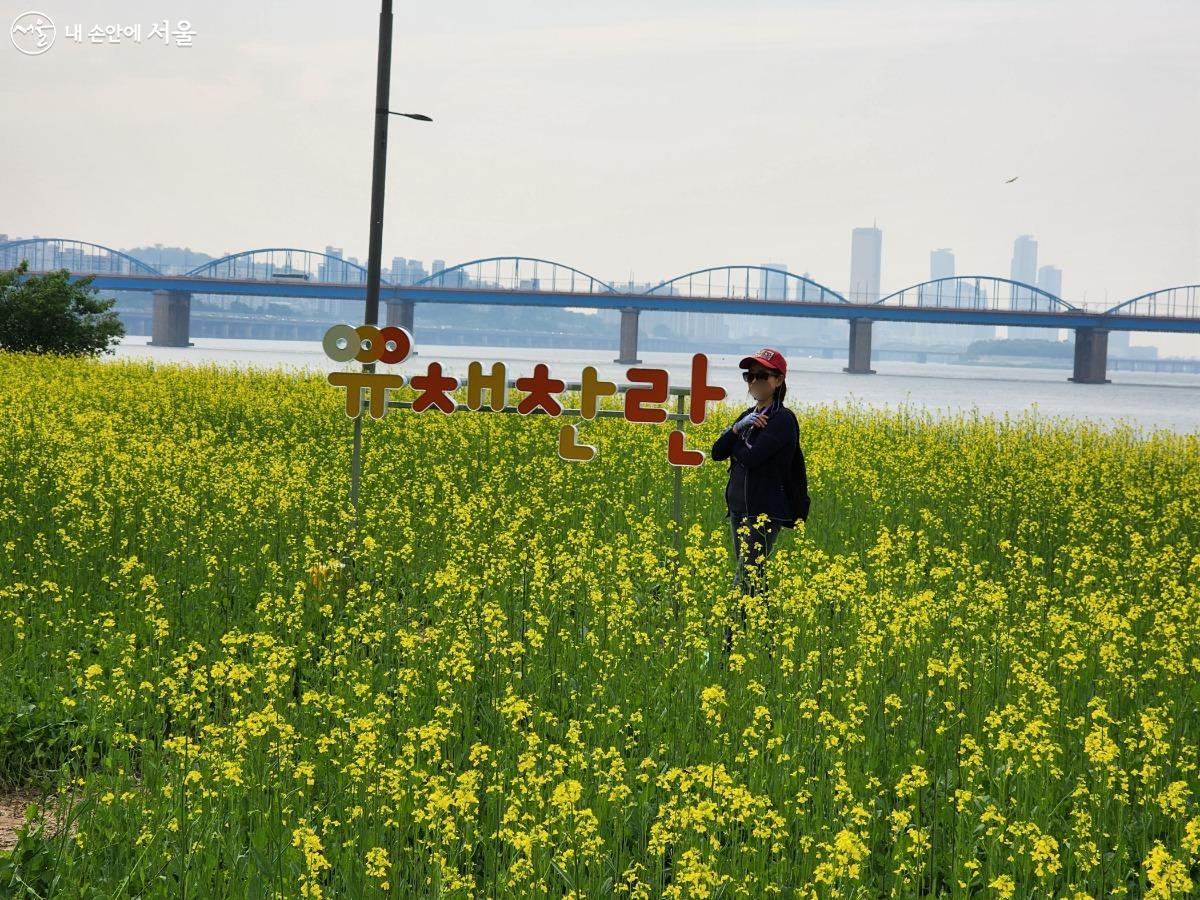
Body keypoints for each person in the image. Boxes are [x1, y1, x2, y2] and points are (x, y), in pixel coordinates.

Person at [710, 347, 800, 654]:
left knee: (743, 579)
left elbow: (750, 457)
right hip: (739, 510)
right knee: (754, 578)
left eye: (762, 376)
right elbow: (716, 451)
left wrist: (737, 436)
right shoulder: (748, 417)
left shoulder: (783, 420)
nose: (754, 382)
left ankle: (726, 650)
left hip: (763, 514)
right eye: (750, 376)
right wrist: (740, 426)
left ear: (778, 381)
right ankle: (770, 643)